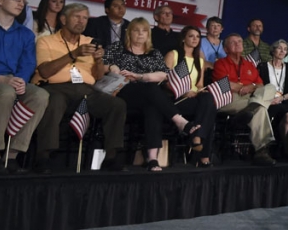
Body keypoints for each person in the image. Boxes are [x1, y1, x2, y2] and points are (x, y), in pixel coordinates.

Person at [32, 3, 127, 173]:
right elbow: (45, 71)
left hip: (86, 90)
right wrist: (73, 54)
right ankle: (44, 156)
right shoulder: (46, 41)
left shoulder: (90, 42)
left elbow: (98, 77)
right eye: (77, 16)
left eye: (85, 18)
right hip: (55, 87)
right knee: (53, 101)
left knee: (117, 104)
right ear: (63, 19)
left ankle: (111, 157)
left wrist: (98, 61)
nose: (81, 21)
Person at [103, 18, 202, 171]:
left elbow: (165, 75)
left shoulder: (153, 53)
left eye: (144, 31)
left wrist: (140, 76)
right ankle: (180, 121)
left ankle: (153, 159)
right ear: (129, 32)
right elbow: (104, 65)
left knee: (153, 105)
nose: (140, 34)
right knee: (151, 90)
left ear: (148, 34)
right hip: (123, 92)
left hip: (148, 95)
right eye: (136, 30)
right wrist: (113, 67)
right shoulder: (118, 48)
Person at [0, 0, 49, 173]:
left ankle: (12, 154)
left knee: (40, 95)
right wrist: (1, 79)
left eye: (23, 1)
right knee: (5, 92)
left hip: (13, 80)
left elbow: (28, 63)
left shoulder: (26, 34)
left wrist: (20, 80)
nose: (21, 4)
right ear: (0, 1)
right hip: (0, 81)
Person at [212, 33, 276, 166]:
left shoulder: (249, 64)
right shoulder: (220, 64)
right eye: (233, 42)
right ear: (225, 49)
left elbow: (260, 85)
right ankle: (261, 150)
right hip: (229, 98)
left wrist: (251, 87)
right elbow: (226, 85)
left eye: (240, 41)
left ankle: (252, 107)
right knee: (261, 109)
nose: (238, 44)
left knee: (270, 87)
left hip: (250, 99)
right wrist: (247, 87)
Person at [163, 25, 217, 168]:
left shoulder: (199, 60)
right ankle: (203, 156)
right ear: (183, 39)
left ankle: (197, 137)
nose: (195, 39)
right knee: (209, 111)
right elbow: (165, 81)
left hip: (194, 97)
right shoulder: (173, 54)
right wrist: (183, 91)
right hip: (177, 97)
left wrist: (201, 91)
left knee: (208, 99)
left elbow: (199, 85)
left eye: (198, 37)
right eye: (191, 36)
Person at [259, 39, 288, 162]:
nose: (282, 51)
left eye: (285, 49)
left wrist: (282, 98)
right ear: (273, 50)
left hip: (285, 99)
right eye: (279, 48)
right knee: (287, 116)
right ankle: (286, 148)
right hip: (269, 100)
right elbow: (260, 86)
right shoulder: (263, 66)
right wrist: (272, 99)